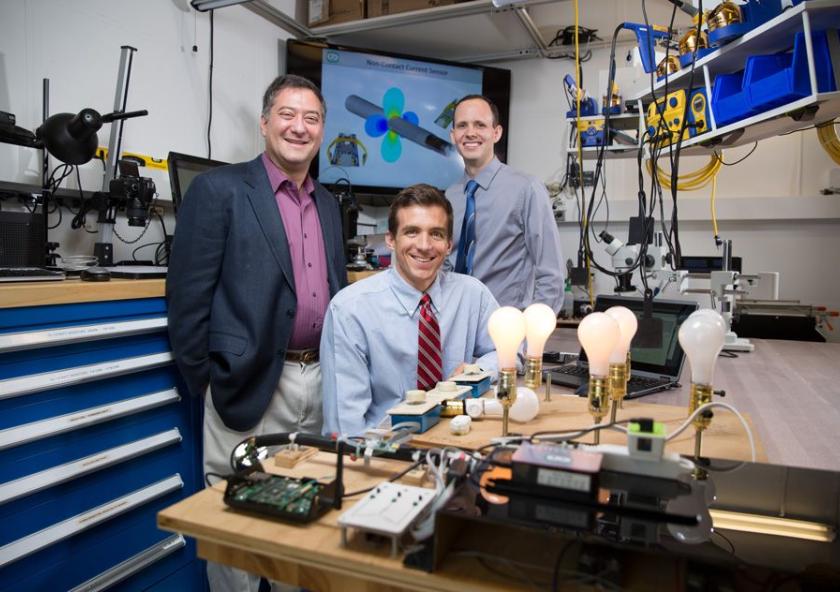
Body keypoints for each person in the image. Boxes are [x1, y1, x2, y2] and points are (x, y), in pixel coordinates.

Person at [166, 74, 347, 591]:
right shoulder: (219, 189)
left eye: (311, 118)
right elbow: (187, 297)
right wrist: (210, 377)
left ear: (322, 132)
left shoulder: (329, 204)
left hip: (317, 378)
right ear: (265, 123)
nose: (299, 126)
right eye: (287, 114)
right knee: (237, 515)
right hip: (248, 380)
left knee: (305, 506)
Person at [320, 184, 499, 437]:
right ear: (391, 240)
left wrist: (477, 372)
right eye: (412, 232)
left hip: (459, 439)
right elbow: (346, 426)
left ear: (449, 244)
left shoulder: (473, 295)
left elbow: (509, 351)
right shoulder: (350, 310)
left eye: (436, 234)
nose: (424, 245)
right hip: (384, 450)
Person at [447, 94, 565, 313]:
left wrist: (531, 333)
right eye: (462, 125)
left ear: (496, 133)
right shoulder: (449, 198)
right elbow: (445, 267)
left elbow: (551, 275)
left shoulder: (526, 189)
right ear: (453, 135)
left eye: (480, 125)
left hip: (505, 331)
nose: (470, 133)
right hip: (455, 326)